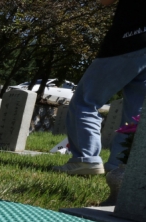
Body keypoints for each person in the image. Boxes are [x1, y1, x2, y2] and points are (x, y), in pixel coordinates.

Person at [55, 0, 146, 175]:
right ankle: (119, 168)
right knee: (135, 116)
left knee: (86, 101)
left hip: (127, 40)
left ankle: (86, 159)